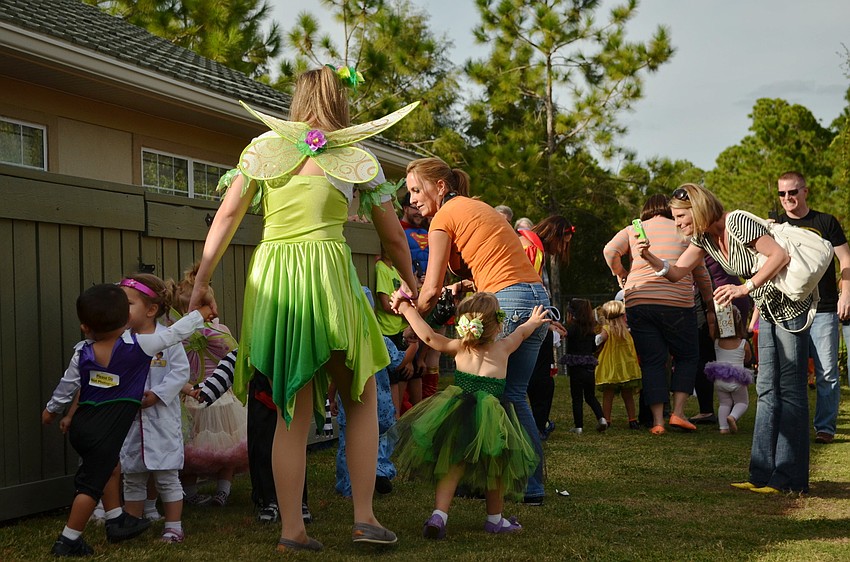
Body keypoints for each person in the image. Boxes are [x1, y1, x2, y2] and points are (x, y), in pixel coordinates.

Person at [188, 66, 418, 552]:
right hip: (328, 277)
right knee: (357, 396)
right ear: (340, 100)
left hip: (274, 280)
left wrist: (202, 281)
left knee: (292, 407)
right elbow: (394, 237)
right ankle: (365, 517)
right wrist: (413, 282)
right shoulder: (357, 159)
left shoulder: (262, 150)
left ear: (297, 99)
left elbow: (227, 216)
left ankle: (292, 530)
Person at [639, 183, 812, 493]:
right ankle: (761, 475)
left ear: (698, 208)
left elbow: (779, 255)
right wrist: (649, 257)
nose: (677, 223)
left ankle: (791, 479)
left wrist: (744, 288)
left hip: (790, 306)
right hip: (769, 307)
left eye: (680, 216)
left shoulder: (737, 223)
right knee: (767, 389)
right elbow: (678, 272)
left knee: (791, 391)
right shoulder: (704, 238)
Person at [401, 156, 551, 505]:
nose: (411, 200)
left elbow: (431, 288)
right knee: (513, 395)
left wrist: (407, 314)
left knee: (483, 397)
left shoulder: (442, 218)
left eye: (415, 189)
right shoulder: (477, 206)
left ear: (439, 186)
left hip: (508, 302)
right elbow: (496, 259)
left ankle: (474, 479)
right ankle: (530, 486)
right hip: (535, 296)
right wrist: (467, 284)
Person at [42, 283, 210, 557]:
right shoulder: (139, 347)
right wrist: (200, 313)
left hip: (84, 426)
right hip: (105, 432)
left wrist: (51, 410)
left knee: (112, 468)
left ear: (85, 327)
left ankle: (117, 518)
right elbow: (175, 333)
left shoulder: (82, 352)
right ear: (124, 320)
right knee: (90, 486)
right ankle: (69, 539)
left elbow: (67, 386)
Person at [391, 292, 548, 539]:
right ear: (497, 324)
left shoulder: (459, 347)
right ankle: (495, 519)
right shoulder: (504, 347)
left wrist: (407, 309)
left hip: (458, 413)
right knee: (495, 469)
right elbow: (522, 333)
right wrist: (534, 320)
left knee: (452, 465)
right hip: (493, 420)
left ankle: (439, 515)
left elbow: (429, 336)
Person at [603, 193, 714, 434]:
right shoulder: (683, 229)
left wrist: (621, 272)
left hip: (639, 300)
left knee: (652, 361)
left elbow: (609, 251)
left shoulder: (635, 228)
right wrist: (709, 303)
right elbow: (701, 274)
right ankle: (678, 412)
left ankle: (657, 422)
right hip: (677, 303)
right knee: (687, 356)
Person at [118, 273, 194, 543]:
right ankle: (132, 524)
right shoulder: (120, 340)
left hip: (161, 419)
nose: (119, 309)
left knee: (167, 477)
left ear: (150, 310)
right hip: (131, 422)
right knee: (133, 477)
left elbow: (180, 373)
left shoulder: (168, 339)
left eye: (127, 304)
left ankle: (174, 526)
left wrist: (158, 395)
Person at [776, 171, 850, 445]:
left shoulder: (825, 222)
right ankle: (792, 426)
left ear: (805, 191)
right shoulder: (775, 223)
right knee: (789, 373)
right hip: (788, 309)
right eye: (782, 193)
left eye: (793, 192)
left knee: (827, 372)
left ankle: (825, 427)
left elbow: (846, 260)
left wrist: (845, 294)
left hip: (824, 308)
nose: (787, 198)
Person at [166, 265, 246, 509]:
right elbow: (235, 356)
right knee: (229, 448)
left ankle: (190, 493)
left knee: (189, 450)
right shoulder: (220, 332)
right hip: (221, 397)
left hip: (191, 396)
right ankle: (223, 491)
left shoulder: (173, 336)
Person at [331, 287, 401, 498]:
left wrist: (331, 395)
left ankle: (347, 483)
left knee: (347, 443)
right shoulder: (381, 341)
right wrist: (414, 345)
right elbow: (397, 361)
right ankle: (379, 471)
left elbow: (336, 373)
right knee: (382, 438)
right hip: (380, 405)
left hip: (349, 403)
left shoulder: (343, 342)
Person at [520, 216, 573, 440]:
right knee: (540, 379)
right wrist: (544, 321)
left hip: (524, 316)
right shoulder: (533, 249)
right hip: (528, 318)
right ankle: (537, 427)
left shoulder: (525, 242)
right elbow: (529, 288)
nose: (561, 248)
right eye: (563, 242)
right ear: (554, 234)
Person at [704, 305, 753, 434]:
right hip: (737, 379)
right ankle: (733, 417)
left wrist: (710, 311)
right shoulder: (744, 343)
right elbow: (748, 359)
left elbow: (710, 324)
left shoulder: (716, 341)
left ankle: (723, 428)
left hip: (719, 378)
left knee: (724, 403)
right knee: (742, 402)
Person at [560, 298, 606, 434]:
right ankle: (602, 418)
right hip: (589, 366)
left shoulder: (572, 328)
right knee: (590, 396)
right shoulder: (590, 330)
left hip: (576, 367)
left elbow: (564, 335)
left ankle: (578, 426)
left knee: (577, 397)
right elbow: (593, 347)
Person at [594, 300, 642, 429]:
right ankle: (632, 419)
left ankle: (607, 420)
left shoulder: (608, 329)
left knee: (608, 395)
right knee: (628, 395)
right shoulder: (626, 330)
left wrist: (596, 339)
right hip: (625, 367)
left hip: (611, 367)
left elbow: (599, 339)